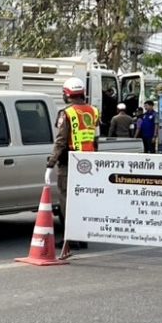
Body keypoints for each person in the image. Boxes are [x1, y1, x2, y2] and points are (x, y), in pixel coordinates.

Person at [46, 77, 96, 252]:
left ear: (67, 94)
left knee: (67, 201)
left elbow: (61, 141)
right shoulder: (93, 111)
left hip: (69, 163)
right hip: (88, 163)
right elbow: (94, 138)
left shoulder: (66, 113)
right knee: (82, 200)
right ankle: (82, 238)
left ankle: (72, 238)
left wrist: (51, 162)